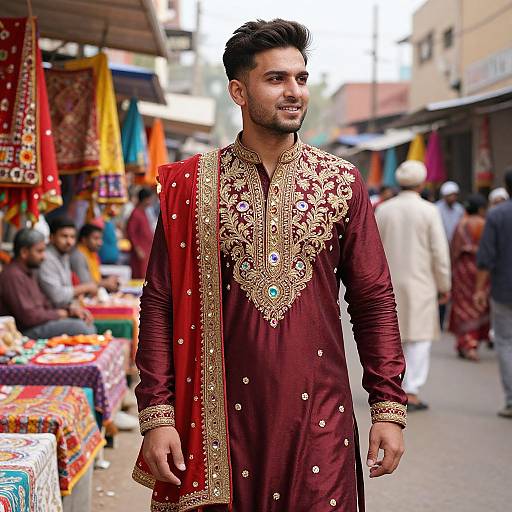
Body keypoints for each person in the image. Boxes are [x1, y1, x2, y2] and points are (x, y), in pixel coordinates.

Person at [133, 19, 407, 512]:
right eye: (276, 79)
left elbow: (373, 300)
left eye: (300, 78)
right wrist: (157, 413)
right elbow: (159, 303)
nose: (294, 91)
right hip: (218, 427)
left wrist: (388, 408)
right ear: (239, 91)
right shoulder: (192, 186)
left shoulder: (341, 182)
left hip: (320, 422)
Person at [376, 160, 451, 411]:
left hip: (388, 283)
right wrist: (444, 284)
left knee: (393, 336)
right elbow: (439, 252)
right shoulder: (429, 211)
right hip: (422, 283)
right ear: (422, 183)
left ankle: (392, 386)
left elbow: (372, 250)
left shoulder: (384, 210)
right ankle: (412, 390)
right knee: (419, 339)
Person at [0, 229, 95, 338]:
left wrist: (70, 311)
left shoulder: (29, 272)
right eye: (39, 251)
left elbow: (45, 303)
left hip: (38, 323)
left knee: (84, 321)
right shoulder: (13, 275)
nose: (43, 256)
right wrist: (61, 314)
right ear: (24, 252)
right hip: (24, 332)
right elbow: (29, 317)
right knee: (81, 327)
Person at [475, 170, 512, 418]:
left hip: (503, 289)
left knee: (505, 343)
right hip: (502, 288)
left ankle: (511, 400)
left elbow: (486, 256)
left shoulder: (498, 214)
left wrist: (479, 288)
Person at [448, 194, 489, 361]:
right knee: (477, 307)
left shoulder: (460, 225)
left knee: (462, 307)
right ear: (480, 209)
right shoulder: (484, 225)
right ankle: (471, 345)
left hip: (462, 271)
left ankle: (463, 342)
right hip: (481, 272)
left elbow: (454, 249)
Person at [38, 216, 98, 308]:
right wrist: (84, 288)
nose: (69, 242)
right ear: (52, 237)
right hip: (52, 312)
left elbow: (67, 288)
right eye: (64, 236)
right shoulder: (46, 258)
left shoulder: (64, 255)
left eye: (72, 237)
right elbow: (57, 296)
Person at [70, 223, 120, 292]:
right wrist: (106, 283)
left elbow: (95, 278)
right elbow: (85, 284)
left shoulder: (92, 255)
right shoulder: (78, 256)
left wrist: (108, 279)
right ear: (84, 240)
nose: (100, 243)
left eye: (100, 239)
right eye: (96, 238)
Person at [126, 187, 156, 279]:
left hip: (147, 250)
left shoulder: (143, 212)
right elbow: (131, 233)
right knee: (140, 277)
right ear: (145, 199)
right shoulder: (136, 213)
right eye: (150, 199)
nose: (151, 201)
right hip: (140, 253)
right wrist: (138, 249)